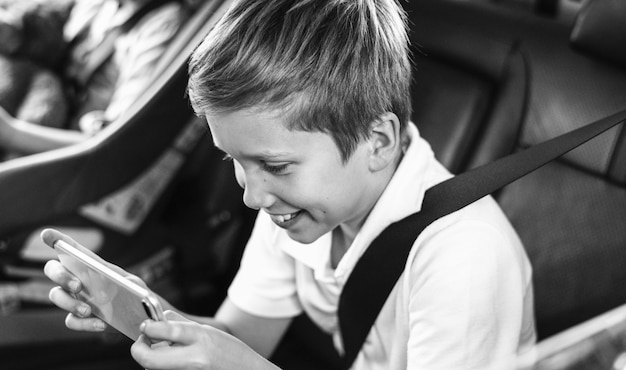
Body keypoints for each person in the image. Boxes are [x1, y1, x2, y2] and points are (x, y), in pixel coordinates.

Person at [43, 0, 537, 369]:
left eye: (275, 167)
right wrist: (142, 312)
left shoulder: (464, 258)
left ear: (378, 141)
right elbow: (240, 339)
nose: (252, 197)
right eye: (233, 160)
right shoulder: (300, 208)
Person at [0, 0, 188, 156]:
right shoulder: (97, 5)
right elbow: (50, 31)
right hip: (32, 93)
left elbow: (113, 138)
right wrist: (17, 31)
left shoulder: (164, 23)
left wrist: (11, 133)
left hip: (62, 139)